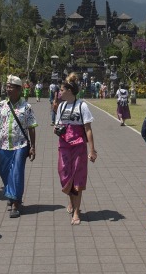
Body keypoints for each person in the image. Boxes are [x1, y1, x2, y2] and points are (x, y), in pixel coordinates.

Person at [0, 75, 37, 218]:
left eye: (11, 87)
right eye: (7, 86)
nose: (7, 89)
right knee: (4, 171)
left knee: (16, 173)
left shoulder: (26, 107)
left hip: (20, 145)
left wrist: (32, 146)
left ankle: (16, 203)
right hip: (2, 145)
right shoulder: (0, 105)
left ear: (18, 89)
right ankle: (12, 194)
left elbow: (31, 128)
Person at [55, 73, 97, 225]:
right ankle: (71, 201)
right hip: (63, 145)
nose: (59, 92)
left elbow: (88, 129)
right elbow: (58, 124)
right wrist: (57, 129)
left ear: (69, 90)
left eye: (61, 90)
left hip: (79, 146)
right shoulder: (61, 106)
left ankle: (76, 211)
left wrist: (92, 150)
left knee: (77, 177)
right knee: (64, 174)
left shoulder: (82, 106)